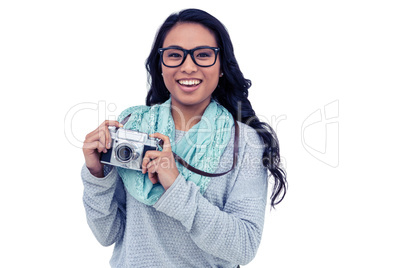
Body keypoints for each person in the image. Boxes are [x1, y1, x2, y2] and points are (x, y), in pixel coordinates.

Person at [81, 8, 287, 268]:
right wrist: (97, 174)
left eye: (203, 55)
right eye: (175, 55)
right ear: (161, 65)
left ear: (222, 66)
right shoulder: (132, 128)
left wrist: (175, 184)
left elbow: (243, 247)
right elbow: (107, 234)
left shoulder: (245, 142)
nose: (188, 67)